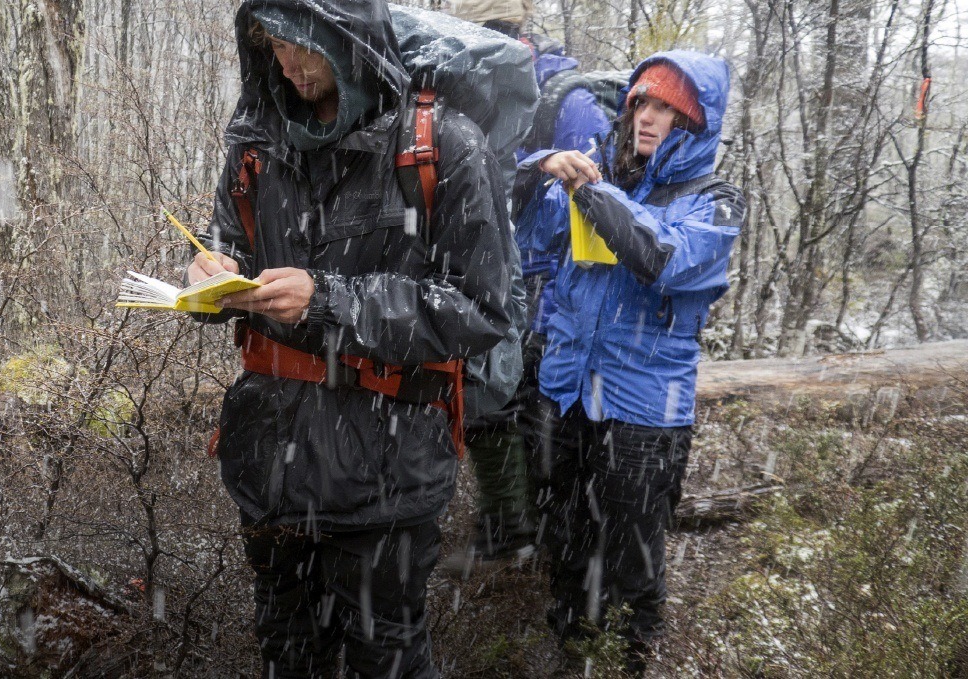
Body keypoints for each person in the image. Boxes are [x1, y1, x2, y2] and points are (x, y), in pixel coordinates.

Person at [186, 1, 513, 674]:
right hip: (270, 462)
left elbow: (479, 308)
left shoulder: (442, 145)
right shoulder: (257, 146)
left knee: (381, 656)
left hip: (385, 476)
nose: (287, 63)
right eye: (271, 45)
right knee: (286, 650)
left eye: (301, 45)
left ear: (346, 38)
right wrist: (208, 276)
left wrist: (330, 300)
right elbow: (228, 244)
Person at [517, 50, 740, 673]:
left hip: (644, 415)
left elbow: (661, 258)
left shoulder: (714, 201)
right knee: (563, 545)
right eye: (641, 102)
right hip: (566, 395)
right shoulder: (605, 180)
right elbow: (525, 235)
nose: (647, 117)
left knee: (632, 566)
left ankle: (625, 662)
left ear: (693, 122)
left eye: (667, 108)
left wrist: (593, 194)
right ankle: (568, 653)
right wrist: (541, 169)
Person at [442, 0, 614, 571]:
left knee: (536, 418)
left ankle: (535, 546)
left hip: (550, 291)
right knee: (489, 403)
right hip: (489, 270)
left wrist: (538, 164)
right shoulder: (463, 86)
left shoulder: (570, 101)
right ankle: (509, 533)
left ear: (515, 34)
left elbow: (604, 203)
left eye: (491, 32)